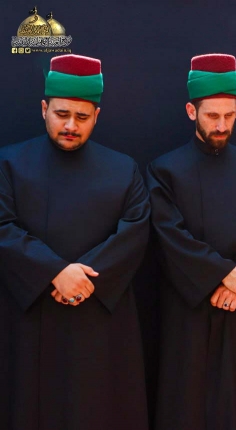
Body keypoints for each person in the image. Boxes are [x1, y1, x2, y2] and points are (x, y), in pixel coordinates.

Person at [0, 54, 150, 430]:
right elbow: (2, 226)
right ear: (44, 109)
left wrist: (82, 279)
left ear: (96, 116)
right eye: (61, 114)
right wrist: (54, 272)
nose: (70, 125)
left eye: (82, 117)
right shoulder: (9, 164)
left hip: (100, 317)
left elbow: (135, 231)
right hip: (30, 315)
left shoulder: (123, 169)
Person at [147, 53, 236, 430]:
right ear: (191, 111)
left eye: (229, 115)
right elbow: (169, 235)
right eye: (212, 116)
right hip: (190, 314)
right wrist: (222, 275)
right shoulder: (165, 171)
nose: (221, 125)